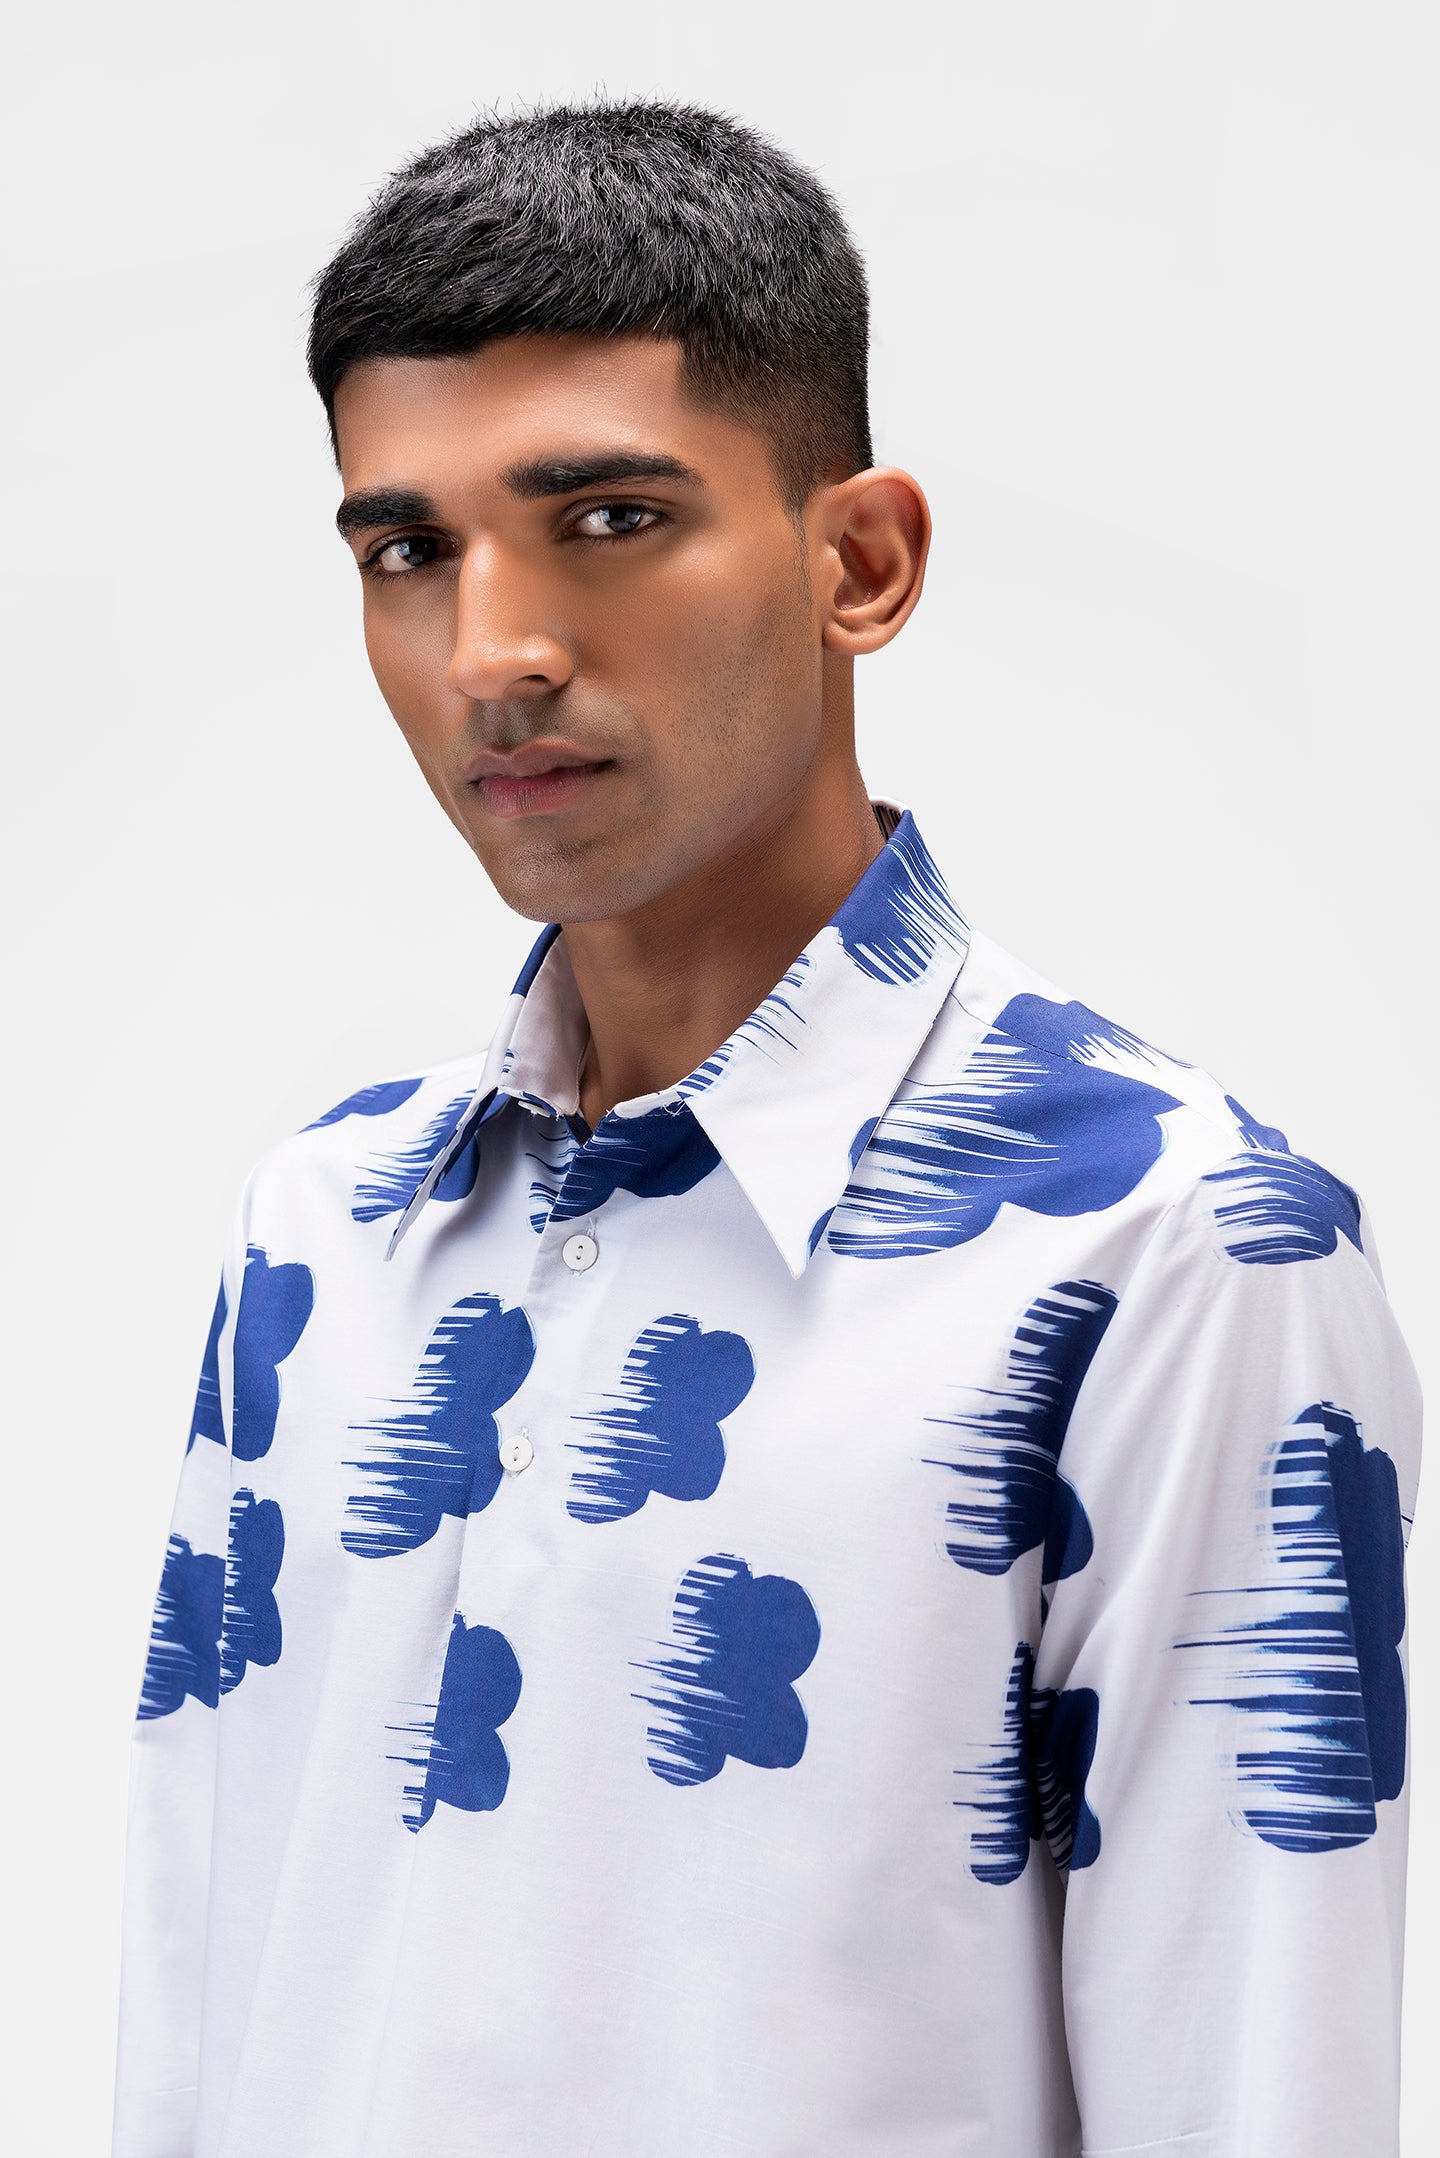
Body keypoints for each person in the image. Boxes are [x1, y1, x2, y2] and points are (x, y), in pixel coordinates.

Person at [111, 100, 1422, 2158]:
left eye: (608, 517)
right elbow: (198, 2015)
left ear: (858, 561)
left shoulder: (1176, 1248)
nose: (494, 652)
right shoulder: (323, 1229)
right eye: (408, 551)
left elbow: (1252, 2095)